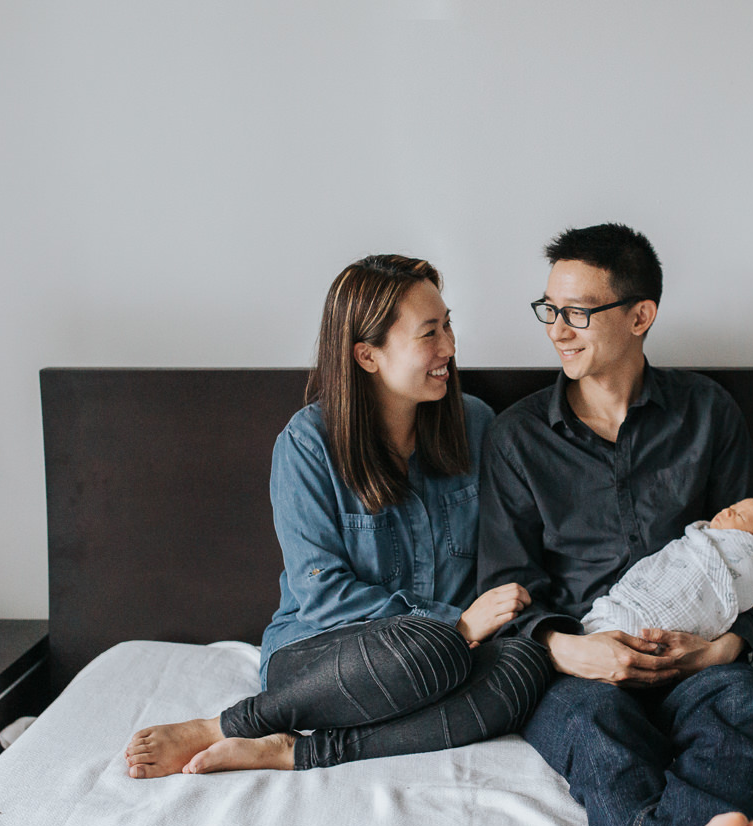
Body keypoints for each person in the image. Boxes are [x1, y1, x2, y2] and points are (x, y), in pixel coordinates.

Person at [477, 223, 753, 826]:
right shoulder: (519, 436)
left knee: (740, 710)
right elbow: (504, 582)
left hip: (696, 654)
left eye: (579, 311)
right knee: (597, 730)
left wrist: (724, 645)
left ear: (640, 315)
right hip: (578, 661)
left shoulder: (708, 412)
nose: (558, 329)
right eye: (549, 309)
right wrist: (569, 647)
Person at [124, 254, 551, 778]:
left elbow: (506, 560)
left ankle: (295, 750)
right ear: (367, 356)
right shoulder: (308, 445)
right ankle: (227, 725)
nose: (449, 348)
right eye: (429, 333)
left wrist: (481, 630)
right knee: (432, 646)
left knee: (526, 666)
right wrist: (454, 624)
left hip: (448, 658)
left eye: (448, 325)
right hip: (325, 657)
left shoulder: (478, 426)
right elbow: (324, 597)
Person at [581, 498, 753, 641]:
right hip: (626, 604)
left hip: (679, 641)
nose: (728, 510)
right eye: (734, 506)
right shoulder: (698, 541)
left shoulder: (747, 562)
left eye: (740, 516)